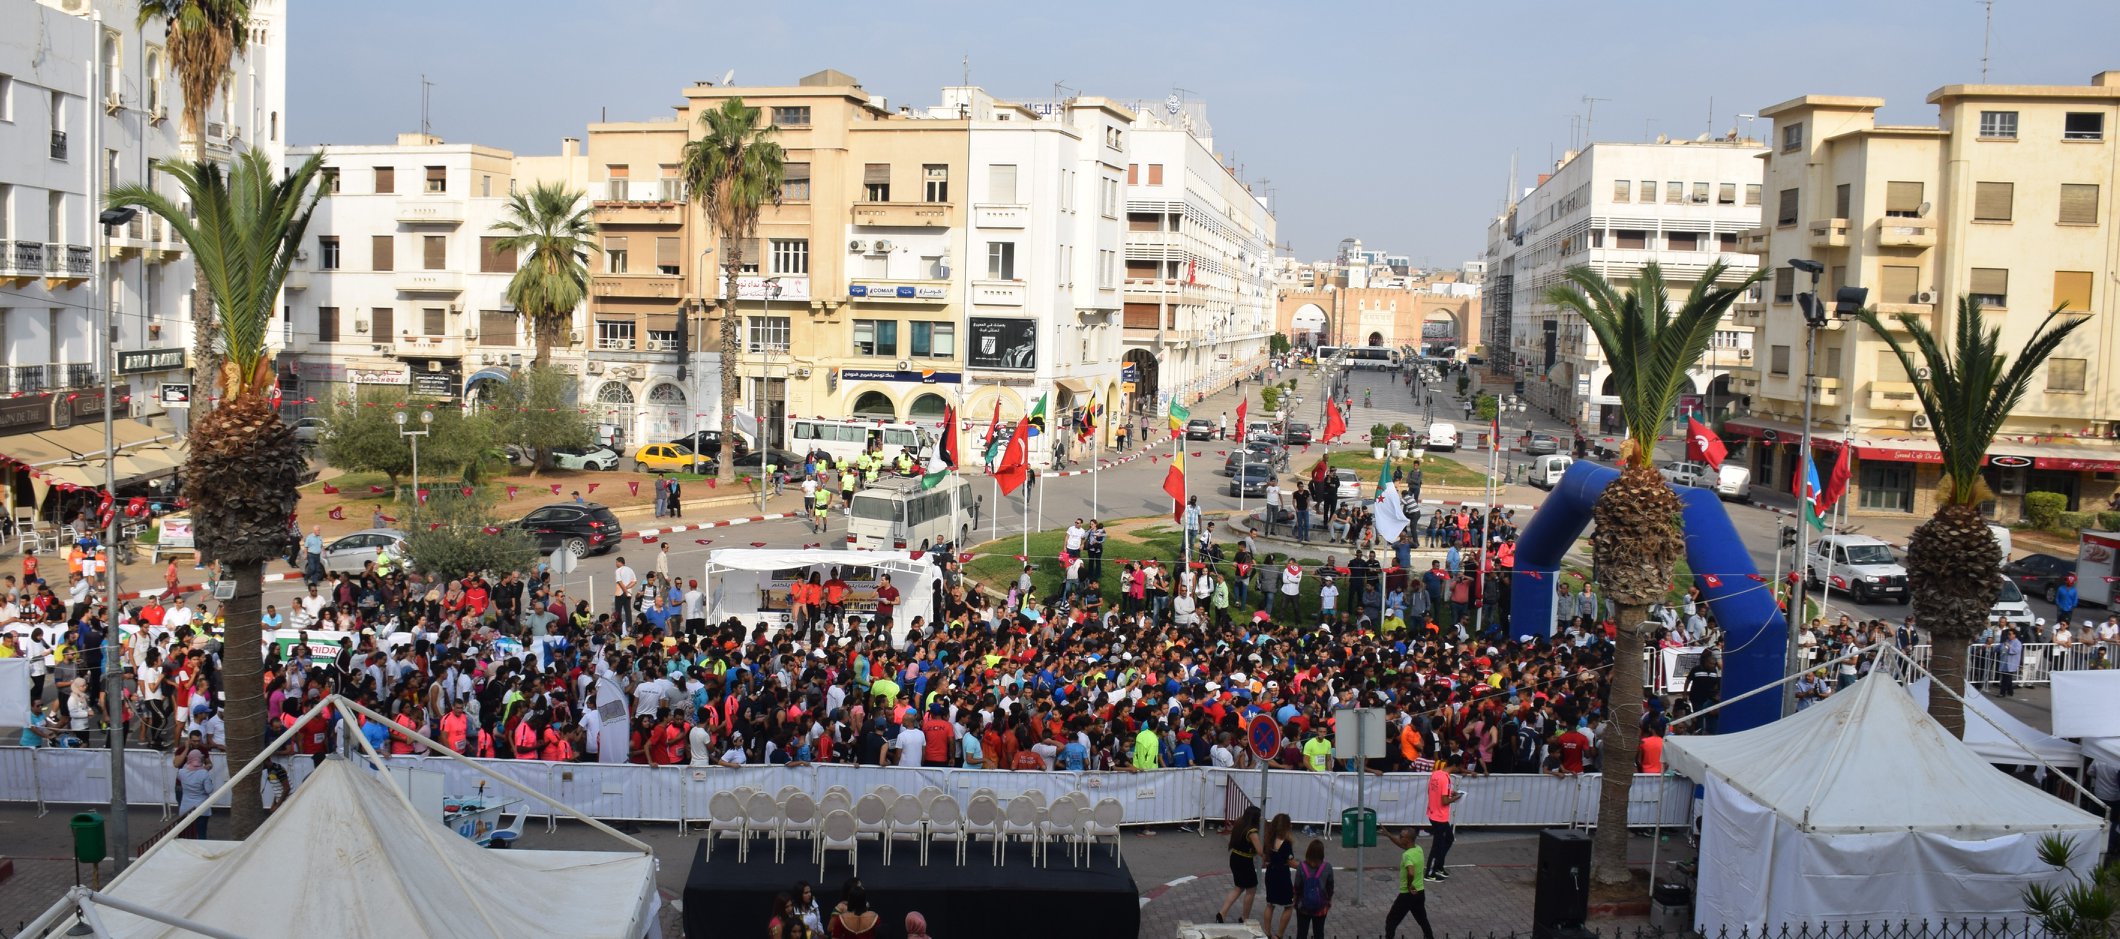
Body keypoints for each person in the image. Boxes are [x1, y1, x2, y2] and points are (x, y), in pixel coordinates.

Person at [1384, 827, 1437, 939]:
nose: (1399, 837)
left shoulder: (1407, 855)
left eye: (1401, 836)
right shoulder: (1418, 849)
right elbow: (1401, 845)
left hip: (1407, 894)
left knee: (1391, 921)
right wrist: (1389, 835)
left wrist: (1409, 885)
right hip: (1419, 892)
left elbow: (1411, 872)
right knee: (1423, 920)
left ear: (1407, 840)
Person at [1216, 805, 1263, 925]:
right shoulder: (1252, 831)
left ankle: (1222, 913)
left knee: (1239, 887)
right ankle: (1245, 918)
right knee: (1251, 889)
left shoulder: (1240, 823)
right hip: (1244, 861)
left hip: (1235, 857)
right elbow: (1260, 851)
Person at [1425, 751, 1461, 881]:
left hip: (1433, 812)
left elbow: (1433, 790)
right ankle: (1430, 872)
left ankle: (1439, 865)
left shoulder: (1436, 774)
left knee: (1449, 839)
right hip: (1440, 816)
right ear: (1455, 766)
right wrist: (1455, 798)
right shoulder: (1446, 778)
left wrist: (1450, 792)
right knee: (1437, 845)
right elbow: (1444, 801)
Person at [1261, 812, 1296, 939]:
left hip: (1270, 873)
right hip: (1282, 875)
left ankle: (1267, 932)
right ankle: (1279, 935)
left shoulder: (1269, 840)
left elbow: (1264, 858)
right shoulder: (1286, 843)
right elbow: (1290, 862)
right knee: (1288, 906)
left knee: (1270, 904)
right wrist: (1304, 866)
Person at [1293, 838, 1335, 939]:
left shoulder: (1301, 867)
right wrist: (1328, 900)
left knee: (1302, 933)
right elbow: (1330, 888)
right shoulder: (1328, 867)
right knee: (1319, 932)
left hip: (1303, 907)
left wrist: (1295, 901)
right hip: (1321, 907)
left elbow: (1297, 887)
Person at [173, 739, 215, 838]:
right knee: (201, 834)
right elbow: (209, 790)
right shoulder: (203, 773)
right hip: (202, 808)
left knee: (187, 835)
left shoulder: (182, 772)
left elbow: (177, 766)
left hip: (186, 808)